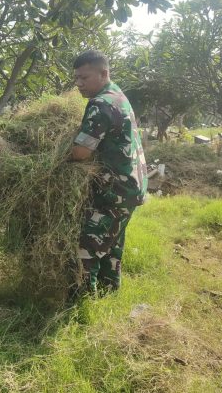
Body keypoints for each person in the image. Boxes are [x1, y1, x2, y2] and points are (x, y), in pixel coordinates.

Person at [70, 50, 148, 294]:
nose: (79, 84)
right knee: (112, 243)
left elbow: (81, 152)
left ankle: (81, 304)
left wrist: (53, 160)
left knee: (88, 246)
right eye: (77, 78)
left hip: (113, 191)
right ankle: (108, 292)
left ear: (104, 73)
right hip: (131, 188)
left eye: (85, 78)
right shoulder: (118, 96)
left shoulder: (101, 103)